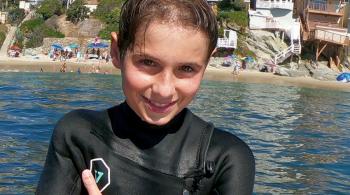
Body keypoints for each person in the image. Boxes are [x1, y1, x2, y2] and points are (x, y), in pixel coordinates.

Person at [36, 0, 255, 194]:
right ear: (116, 51)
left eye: (187, 68)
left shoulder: (226, 159)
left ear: (207, 62)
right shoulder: (77, 135)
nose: (164, 90)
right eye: (148, 63)